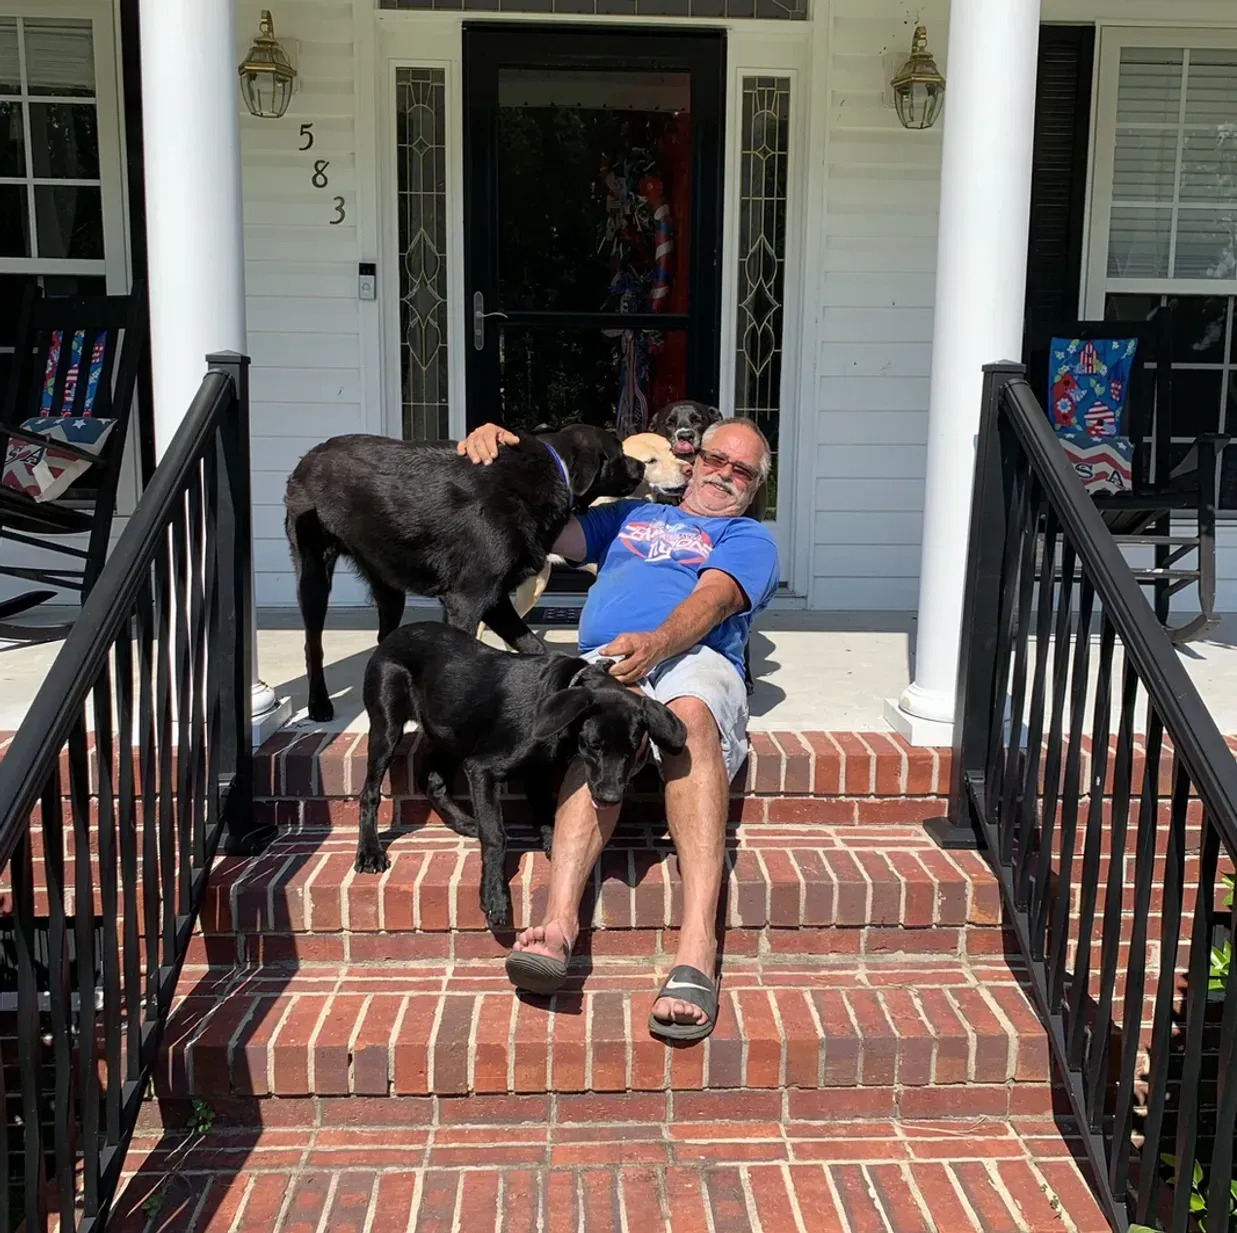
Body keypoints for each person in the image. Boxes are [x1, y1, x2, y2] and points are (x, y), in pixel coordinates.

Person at [457, 417, 779, 1042]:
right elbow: (546, 524)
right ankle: (557, 923)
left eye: (742, 470)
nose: (724, 474)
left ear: (755, 486)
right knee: (596, 723)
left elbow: (714, 600)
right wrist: (504, 452)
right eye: (716, 459)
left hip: (694, 656)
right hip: (612, 655)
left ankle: (696, 949)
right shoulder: (630, 518)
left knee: (691, 717)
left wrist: (658, 643)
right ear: (693, 461)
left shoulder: (747, 536)